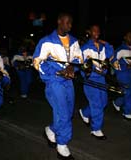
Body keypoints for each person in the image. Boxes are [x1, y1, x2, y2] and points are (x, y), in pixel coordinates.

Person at [33, 13, 82, 160]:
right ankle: (62, 145)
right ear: (59, 22)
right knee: (63, 112)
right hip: (54, 81)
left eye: (71, 23)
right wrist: (56, 72)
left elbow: (78, 59)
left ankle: (51, 130)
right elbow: (37, 62)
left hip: (68, 81)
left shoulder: (74, 41)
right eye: (67, 22)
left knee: (69, 111)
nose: (70, 26)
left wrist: (73, 68)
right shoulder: (46, 41)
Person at [78, 24, 115, 140]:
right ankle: (96, 129)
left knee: (103, 103)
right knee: (97, 104)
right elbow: (81, 65)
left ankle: (85, 112)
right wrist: (87, 74)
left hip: (102, 79)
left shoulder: (103, 47)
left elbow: (111, 54)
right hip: (91, 80)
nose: (97, 33)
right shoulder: (85, 48)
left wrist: (106, 43)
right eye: (94, 31)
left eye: (98, 31)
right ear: (89, 32)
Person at [112, 31, 131, 120]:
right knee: (128, 92)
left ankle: (117, 103)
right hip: (122, 73)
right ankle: (127, 113)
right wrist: (124, 66)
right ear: (125, 37)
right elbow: (113, 61)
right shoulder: (120, 49)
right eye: (129, 36)